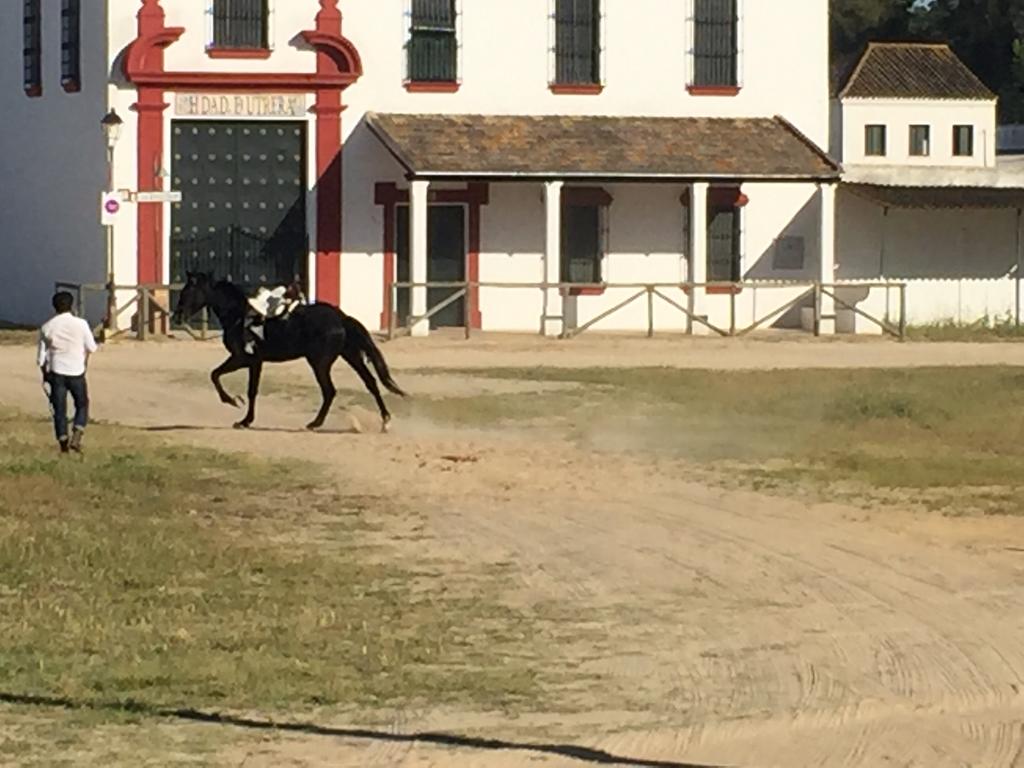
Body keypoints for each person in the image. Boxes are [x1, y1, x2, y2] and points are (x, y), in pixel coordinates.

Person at [37, 291, 98, 454]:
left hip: (57, 372)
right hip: (77, 371)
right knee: (82, 404)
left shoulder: (47, 326)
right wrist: (84, 361)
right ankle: (77, 431)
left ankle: (63, 442)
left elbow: (41, 359)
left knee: (59, 409)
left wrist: (45, 375)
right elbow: (91, 347)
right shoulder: (81, 324)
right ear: (71, 305)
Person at [244, 280, 307, 354]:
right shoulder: (281, 292)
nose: (289, 289)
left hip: (275, 315)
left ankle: (250, 342)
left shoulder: (292, 302)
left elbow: (276, 311)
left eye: (292, 289)